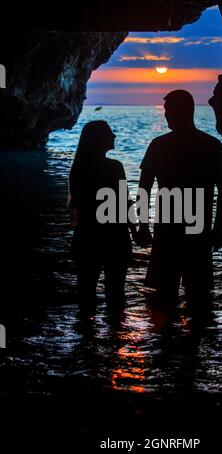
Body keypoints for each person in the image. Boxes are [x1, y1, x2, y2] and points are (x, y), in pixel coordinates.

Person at [136, 90, 222, 307]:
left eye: (169, 110)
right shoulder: (211, 145)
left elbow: (144, 188)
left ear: (182, 111)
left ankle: (165, 339)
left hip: (168, 230)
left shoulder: (158, 145)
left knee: (163, 296)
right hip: (199, 230)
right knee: (199, 297)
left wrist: (143, 225)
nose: (166, 115)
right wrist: (218, 228)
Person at [68, 120, 135, 315]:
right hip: (115, 237)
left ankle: (86, 341)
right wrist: (136, 231)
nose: (114, 136)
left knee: (86, 296)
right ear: (98, 140)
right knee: (116, 296)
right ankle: (115, 339)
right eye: (109, 133)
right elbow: (125, 203)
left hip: (86, 237)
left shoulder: (78, 170)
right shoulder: (114, 167)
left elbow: (77, 209)